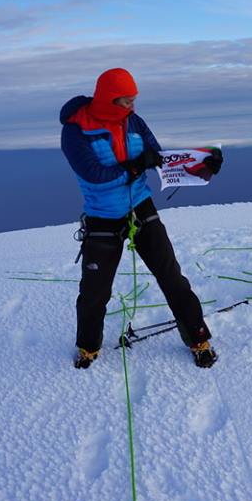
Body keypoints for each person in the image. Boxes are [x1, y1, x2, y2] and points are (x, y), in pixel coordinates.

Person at [60, 68, 222, 369]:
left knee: (172, 277)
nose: (132, 107)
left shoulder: (133, 121)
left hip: (141, 208)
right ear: (108, 99)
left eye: (134, 100)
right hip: (103, 216)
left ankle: (199, 339)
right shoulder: (75, 129)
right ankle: (88, 347)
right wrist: (135, 167)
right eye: (126, 101)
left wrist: (204, 164)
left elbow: (159, 158)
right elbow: (93, 175)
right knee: (95, 292)